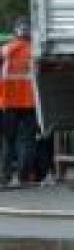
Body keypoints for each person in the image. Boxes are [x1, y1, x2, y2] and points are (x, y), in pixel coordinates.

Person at [1, 17, 38, 187]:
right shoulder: (34, 50)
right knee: (28, 140)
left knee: (9, 141)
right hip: (30, 102)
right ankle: (23, 176)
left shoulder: (7, 49)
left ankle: (6, 176)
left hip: (9, 102)